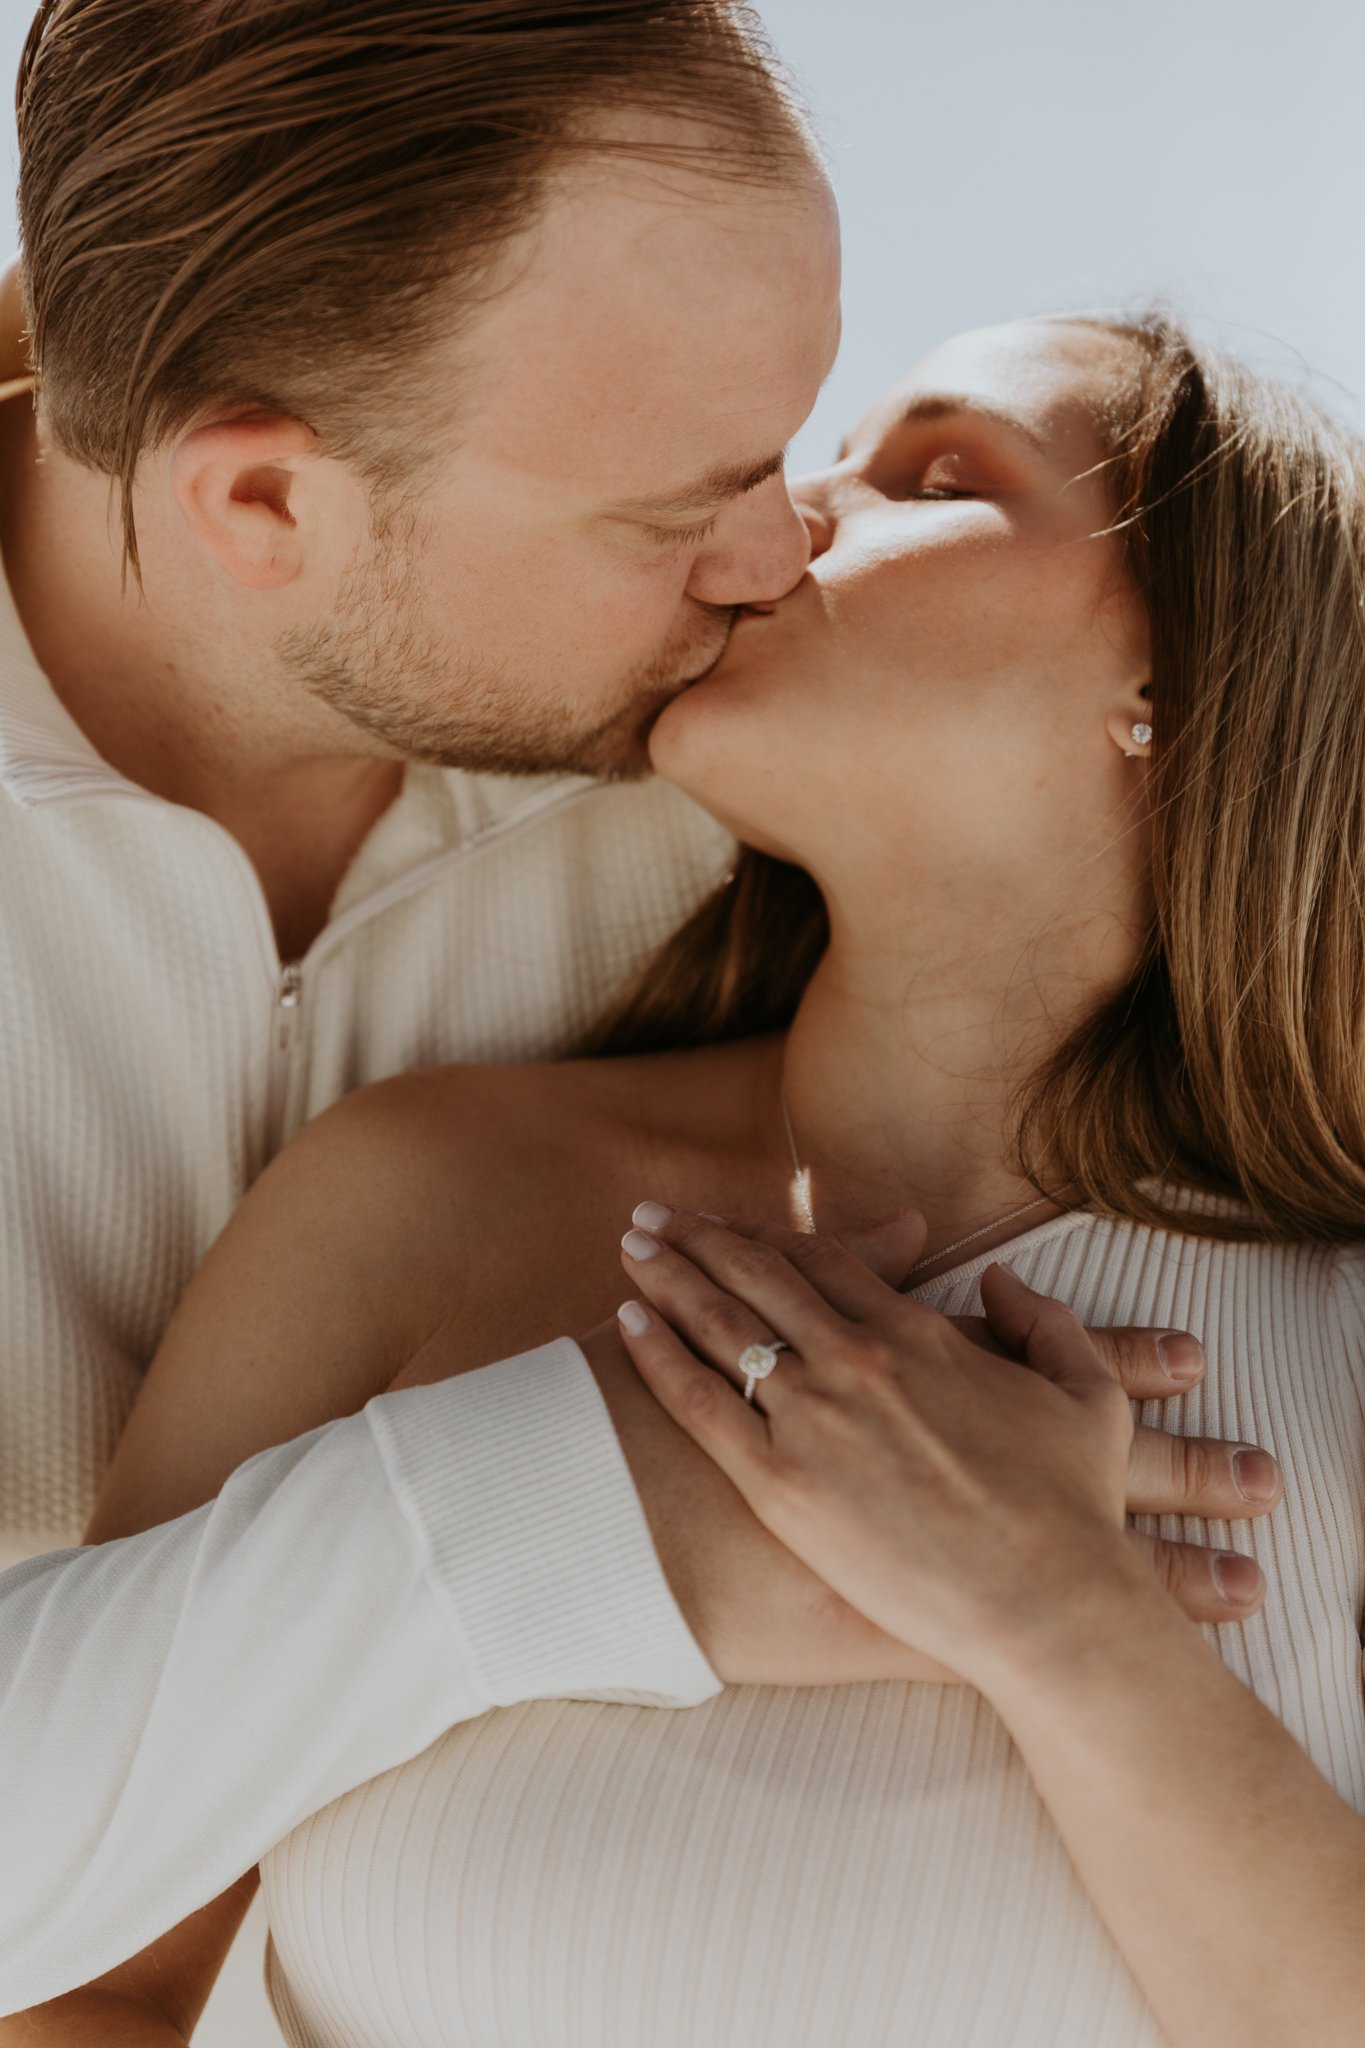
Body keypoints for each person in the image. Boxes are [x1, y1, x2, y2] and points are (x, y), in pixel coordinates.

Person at [0, 0, 1278, 2013]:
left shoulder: (738, 790)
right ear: (263, 511)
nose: (775, 554)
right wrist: (576, 1509)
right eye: (683, 504)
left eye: (800, 440)